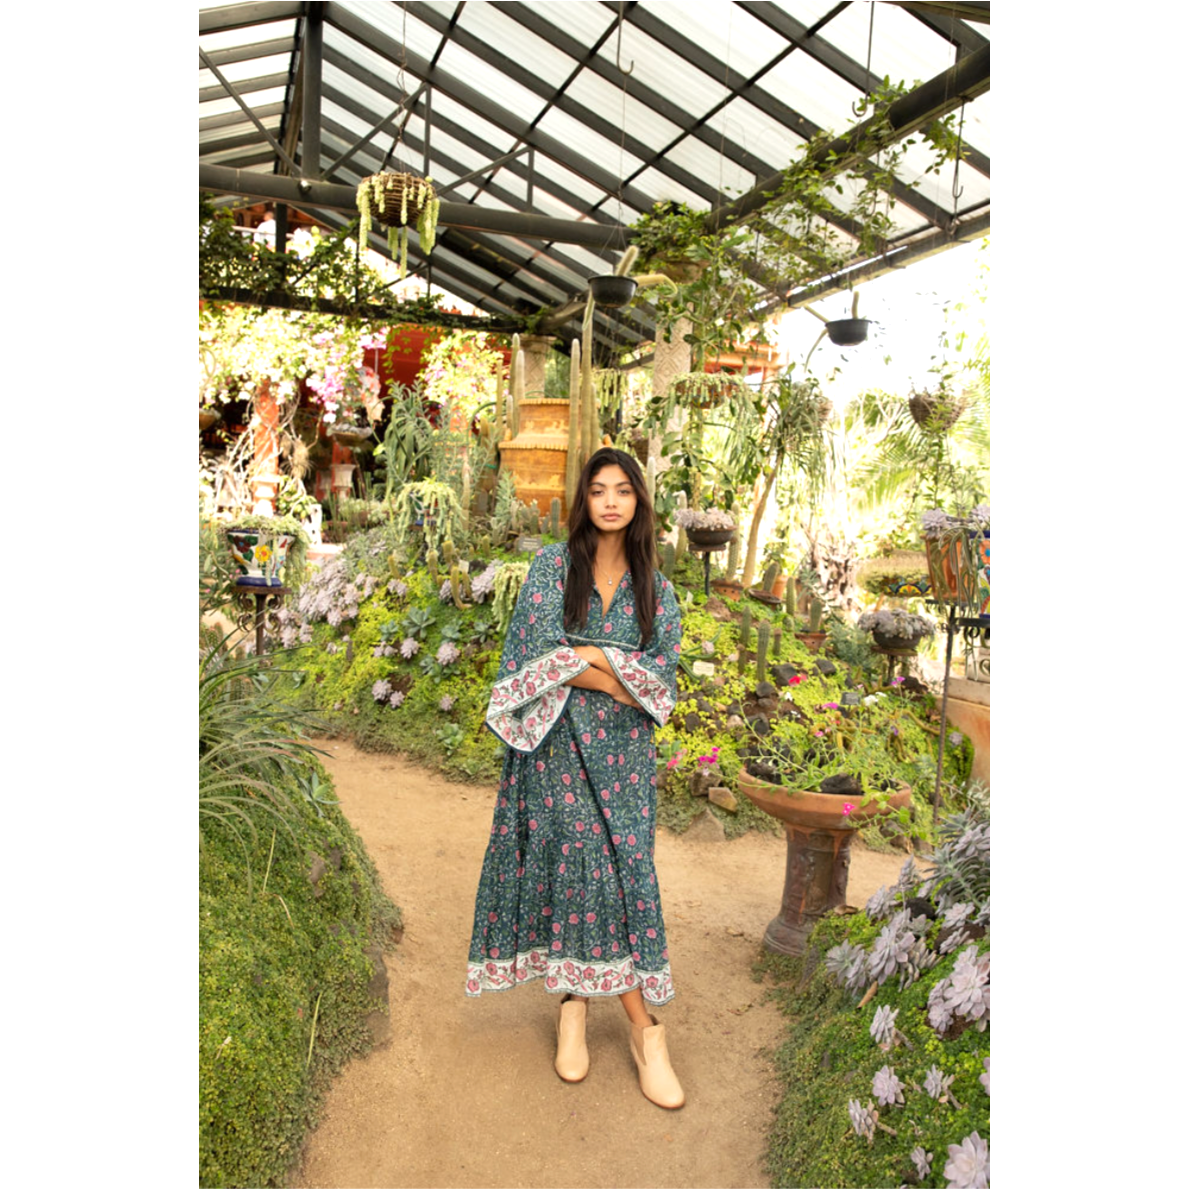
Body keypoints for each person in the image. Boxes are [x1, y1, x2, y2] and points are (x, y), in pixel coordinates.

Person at [465, 447, 685, 1110]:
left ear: (639, 501)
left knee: (619, 874)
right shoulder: (551, 569)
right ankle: (640, 1030)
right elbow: (533, 655)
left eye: (623, 490)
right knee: (582, 866)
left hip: (624, 758)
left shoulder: (659, 591)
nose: (611, 501)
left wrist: (581, 655)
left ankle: (577, 1009)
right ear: (584, 501)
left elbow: (659, 683)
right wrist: (611, 670)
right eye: (598, 490)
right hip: (557, 749)